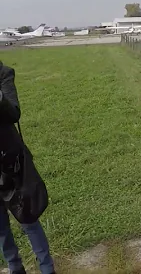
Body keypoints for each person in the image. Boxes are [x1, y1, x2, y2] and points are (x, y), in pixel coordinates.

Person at [0, 61, 55, 274]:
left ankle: (47, 268)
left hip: (11, 163)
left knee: (28, 218)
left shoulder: (3, 73)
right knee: (1, 226)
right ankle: (15, 267)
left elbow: (14, 113)